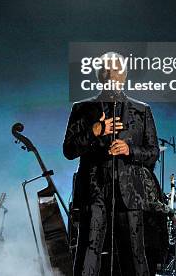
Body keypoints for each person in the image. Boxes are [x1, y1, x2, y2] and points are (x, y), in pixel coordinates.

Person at [63, 52, 159, 276]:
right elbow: (68, 150)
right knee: (88, 250)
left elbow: (153, 153)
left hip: (129, 192)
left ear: (124, 75)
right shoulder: (82, 109)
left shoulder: (141, 111)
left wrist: (129, 150)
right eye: (105, 70)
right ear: (98, 75)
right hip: (94, 189)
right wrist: (95, 130)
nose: (110, 75)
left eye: (115, 70)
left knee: (134, 254)